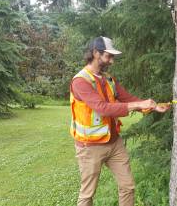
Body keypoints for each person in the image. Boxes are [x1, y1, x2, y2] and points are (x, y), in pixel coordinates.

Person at [69, 36, 170, 206]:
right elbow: (103, 108)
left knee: (128, 186)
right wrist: (138, 104)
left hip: (115, 144)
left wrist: (152, 107)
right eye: (109, 56)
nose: (112, 61)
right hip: (90, 147)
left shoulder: (109, 79)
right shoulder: (80, 81)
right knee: (87, 195)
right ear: (95, 53)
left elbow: (126, 98)